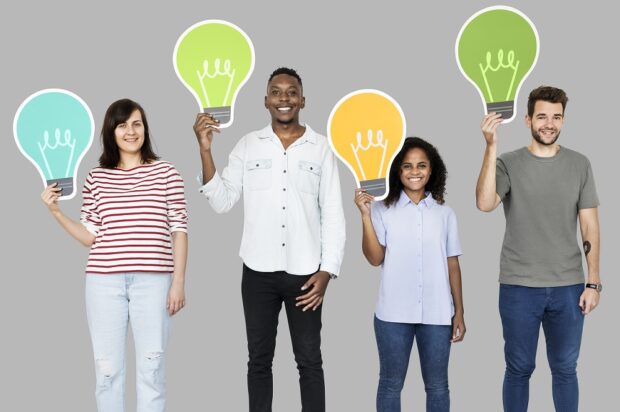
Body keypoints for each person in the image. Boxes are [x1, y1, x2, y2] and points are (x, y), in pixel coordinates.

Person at [193, 67, 345, 412]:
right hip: (257, 272)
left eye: (291, 92)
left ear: (303, 100)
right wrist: (205, 150)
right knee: (258, 360)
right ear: (265, 101)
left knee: (309, 361)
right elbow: (221, 201)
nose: (284, 98)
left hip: (306, 274)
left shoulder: (321, 148)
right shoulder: (247, 145)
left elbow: (334, 213)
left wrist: (327, 271)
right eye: (276, 92)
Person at [41, 99, 188, 412]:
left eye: (137, 123)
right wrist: (55, 210)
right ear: (111, 132)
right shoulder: (97, 178)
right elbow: (89, 236)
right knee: (107, 370)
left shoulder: (167, 173)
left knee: (153, 367)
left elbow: (179, 229)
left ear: (145, 129)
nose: (130, 131)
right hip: (103, 282)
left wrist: (178, 282)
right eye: (122, 125)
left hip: (155, 281)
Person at [475, 86, 601, 412]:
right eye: (542, 116)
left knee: (565, 369)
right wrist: (491, 147)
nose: (549, 124)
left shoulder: (579, 164)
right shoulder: (508, 162)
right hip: (518, 286)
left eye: (556, 117)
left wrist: (593, 282)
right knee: (518, 369)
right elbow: (485, 202)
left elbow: (590, 226)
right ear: (528, 119)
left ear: (563, 120)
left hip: (569, 287)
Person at [354, 137, 465, 412]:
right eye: (407, 166)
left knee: (438, 386)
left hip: (438, 314)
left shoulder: (445, 214)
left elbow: (452, 264)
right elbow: (374, 258)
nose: (415, 171)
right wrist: (365, 216)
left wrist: (459, 311)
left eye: (421, 165)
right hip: (392, 314)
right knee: (391, 384)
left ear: (432, 170)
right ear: (396, 170)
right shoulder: (381, 209)